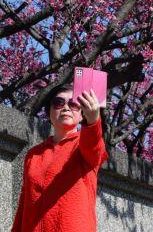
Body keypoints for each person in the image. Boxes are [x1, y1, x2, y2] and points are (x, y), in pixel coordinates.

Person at [11, 83, 109, 232]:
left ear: (82, 113)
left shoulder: (84, 146)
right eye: (58, 102)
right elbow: (24, 203)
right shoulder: (34, 154)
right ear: (49, 111)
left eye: (74, 104)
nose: (66, 107)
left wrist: (94, 121)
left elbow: (94, 147)